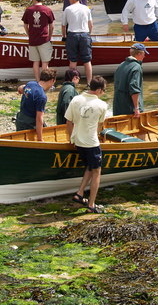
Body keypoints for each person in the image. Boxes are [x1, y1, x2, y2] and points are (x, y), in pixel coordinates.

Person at [65, 75, 108, 214]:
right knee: (97, 172)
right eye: (104, 91)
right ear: (99, 90)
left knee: (90, 167)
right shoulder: (102, 105)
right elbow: (100, 125)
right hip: (91, 143)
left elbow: (69, 122)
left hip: (78, 141)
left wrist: (70, 139)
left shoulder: (76, 99)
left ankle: (79, 193)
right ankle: (91, 204)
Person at [15, 68, 57, 141]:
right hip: (28, 124)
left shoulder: (30, 84)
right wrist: (40, 139)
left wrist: (20, 91)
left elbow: (21, 88)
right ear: (52, 81)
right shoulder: (42, 97)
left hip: (20, 119)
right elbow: (39, 119)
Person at [22, 0, 56, 81]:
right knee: (45, 63)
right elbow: (51, 26)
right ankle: (45, 81)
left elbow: (25, 26)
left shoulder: (28, 10)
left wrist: (30, 35)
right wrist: (49, 37)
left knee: (35, 62)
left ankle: (38, 80)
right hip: (44, 39)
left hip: (33, 40)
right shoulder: (47, 10)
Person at [61, 0, 93, 84]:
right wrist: (88, 34)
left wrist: (64, 36)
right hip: (84, 34)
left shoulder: (68, 9)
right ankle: (89, 82)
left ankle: (72, 82)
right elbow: (90, 24)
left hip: (72, 35)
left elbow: (63, 25)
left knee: (73, 60)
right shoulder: (86, 8)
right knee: (87, 61)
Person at [113, 43, 148, 117]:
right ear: (139, 54)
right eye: (143, 54)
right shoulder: (136, 67)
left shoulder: (121, 65)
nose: (144, 56)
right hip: (129, 109)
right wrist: (136, 108)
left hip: (118, 107)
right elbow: (134, 88)